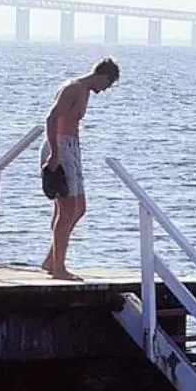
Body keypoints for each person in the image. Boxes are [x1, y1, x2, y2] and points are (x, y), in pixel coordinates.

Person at [42, 57, 120, 281]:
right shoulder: (73, 88)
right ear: (102, 75)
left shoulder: (84, 91)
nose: (105, 90)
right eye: (108, 84)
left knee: (78, 208)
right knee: (66, 209)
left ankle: (52, 259)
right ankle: (58, 268)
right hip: (60, 144)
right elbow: (52, 117)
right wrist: (55, 154)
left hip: (72, 147)